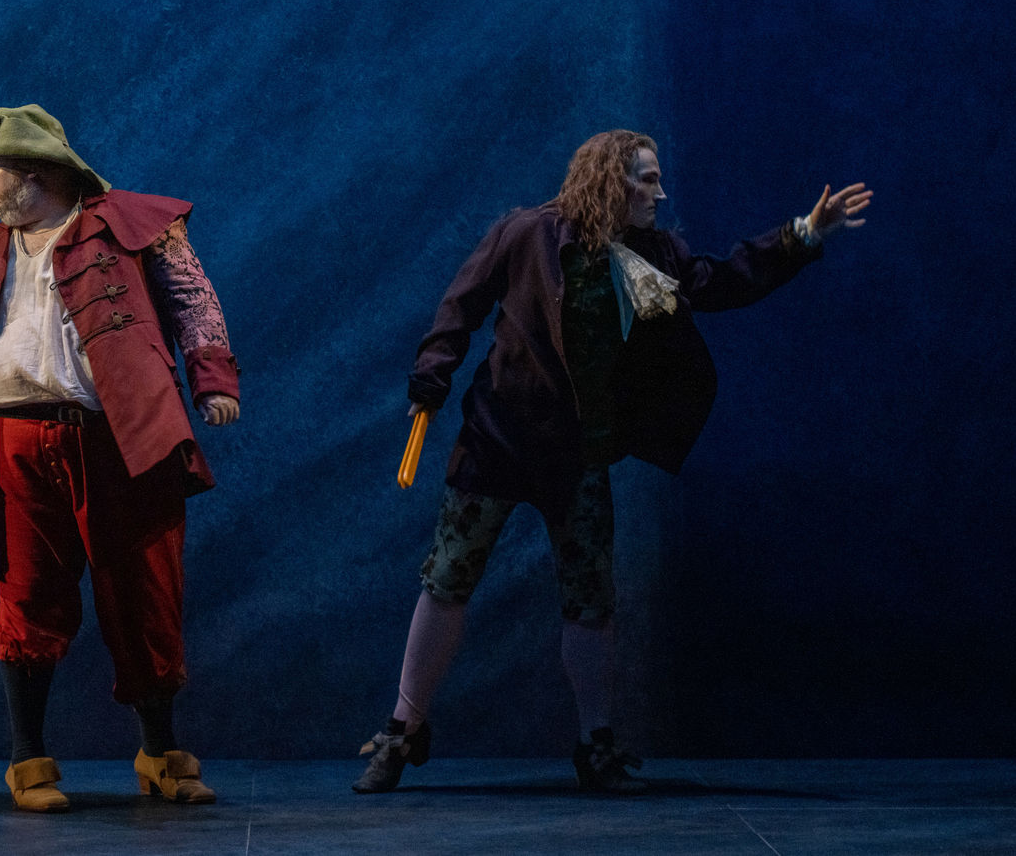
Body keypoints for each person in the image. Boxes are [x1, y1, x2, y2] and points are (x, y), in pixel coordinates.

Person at [353, 129, 870, 794]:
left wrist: (803, 233)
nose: (660, 192)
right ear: (609, 180)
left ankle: (595, 744)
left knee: (591, 597)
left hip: (579, 450)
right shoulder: (528, 234)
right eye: (648, 179)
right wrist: (432, 376)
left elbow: (721, 281)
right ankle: (403, 728)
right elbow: (463, 302)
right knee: (447, 578)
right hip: (499, 440)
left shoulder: (653, 254)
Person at [0, 97, 241, 811]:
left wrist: (213, 378)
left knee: (144, 588)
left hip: (120, 439)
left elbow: (193, 298)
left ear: (34, 171)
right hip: (17, 442)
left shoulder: (133, 226)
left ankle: (161, 752)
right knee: (27, 591)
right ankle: (28, 761)